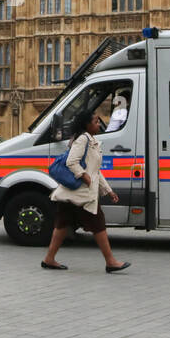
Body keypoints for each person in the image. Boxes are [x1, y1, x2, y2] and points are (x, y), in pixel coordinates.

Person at [41, 109, 130, 273]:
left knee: (62, 224)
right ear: (87, 124)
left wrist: (108, 190)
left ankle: (49, 259)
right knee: (98, 224)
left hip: (72, 193)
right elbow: (71, 162)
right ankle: (110, 261)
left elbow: (95, 171)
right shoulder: (83, 140)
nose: (99, 123)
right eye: (96, 121)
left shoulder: (91, 141)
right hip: (81, 193)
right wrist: (83, 175)